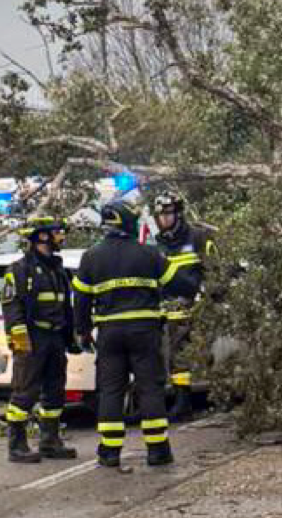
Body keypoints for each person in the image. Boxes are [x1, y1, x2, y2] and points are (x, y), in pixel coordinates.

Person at [73, 201, 173, 468]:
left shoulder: (91, 256)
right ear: (129, 222)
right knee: (149, 388)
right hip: (145, 331)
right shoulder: (149, 254)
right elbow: (178, 283)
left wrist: (82, 331)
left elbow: (80, 299)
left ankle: (109, 451)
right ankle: (157, 450)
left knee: (111, 390)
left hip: (110, 334)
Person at [0, 216, 78, 464]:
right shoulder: (20, 270)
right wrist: (20, 341)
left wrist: (71, 337)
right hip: (33, 338)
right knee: (25, 392)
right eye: (56, 232)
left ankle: (50, 441)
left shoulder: (58, 269)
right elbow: (11, 306)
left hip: (55, 337)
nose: (61, 237)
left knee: (55, 391)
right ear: (42, 236)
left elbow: (65, 307)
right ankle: (17, 445)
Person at [150, 191, 211, 418]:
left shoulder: (197, 237)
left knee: (180, 352)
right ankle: (165, 401)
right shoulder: (157, 243)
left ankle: (183, 403)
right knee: (160, 354)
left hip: (193, 305)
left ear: (178, 214)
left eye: (168, 214)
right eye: (160, 215)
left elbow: (215, 271)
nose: (164, 219)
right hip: (163, 307)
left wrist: (204, 296)